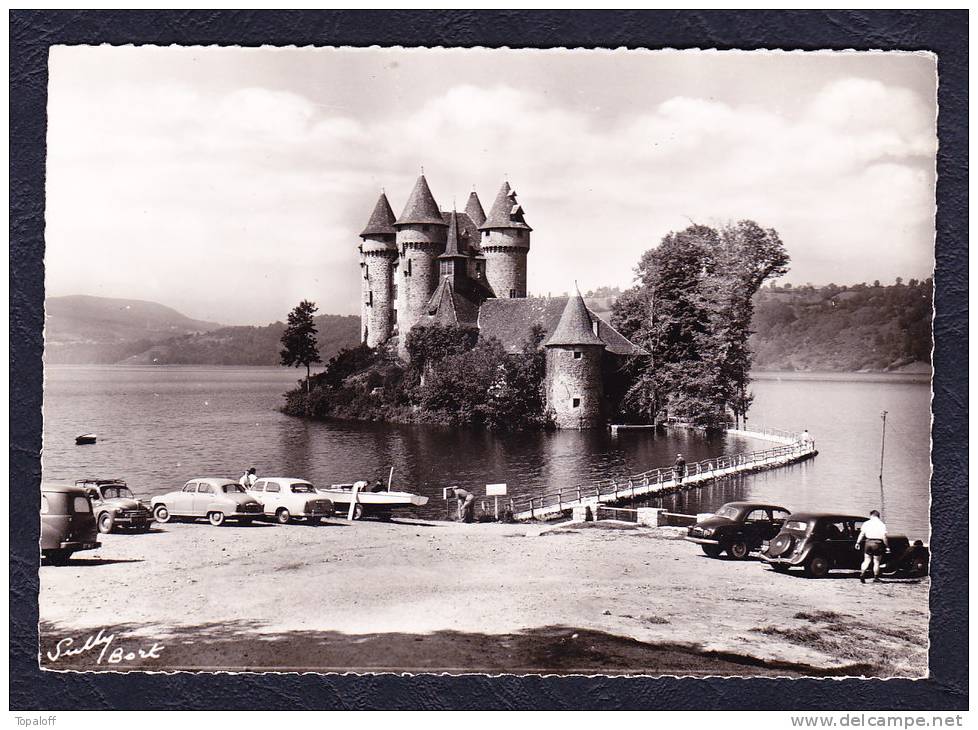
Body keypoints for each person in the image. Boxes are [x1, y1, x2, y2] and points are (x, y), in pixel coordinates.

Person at [855, 509, 890, 583]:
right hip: (877, 543)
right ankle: (876, 577)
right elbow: (884, 537)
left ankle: (862, 574)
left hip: (868, 542)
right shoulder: (881, 524)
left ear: (871, 515)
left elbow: (862, 534)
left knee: (866, 560)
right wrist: (887, 547)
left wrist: (857, 543)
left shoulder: (866, 523)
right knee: (876, 562)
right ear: (878, 516)